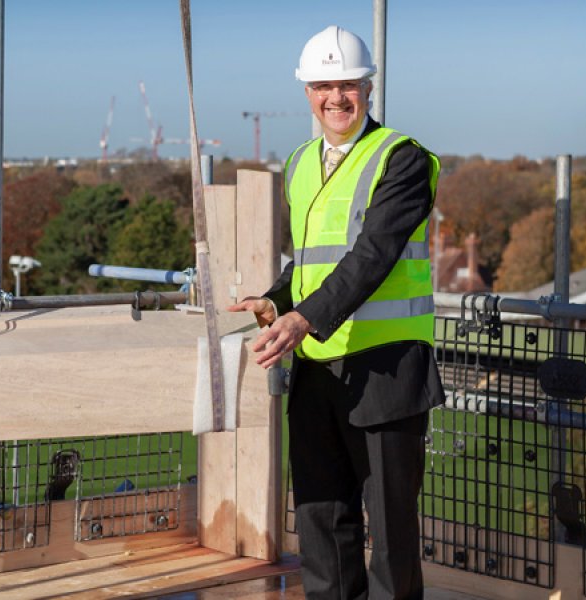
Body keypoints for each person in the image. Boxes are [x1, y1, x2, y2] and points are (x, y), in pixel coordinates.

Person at [228, 25, 444, 600]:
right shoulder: (300, 163)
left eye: (347, 85)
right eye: (323, 86)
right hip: (320, 371)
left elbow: (372, 256)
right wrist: (275, 300)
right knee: (322, 522)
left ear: (368, 89)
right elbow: (309, 264)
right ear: (306, 92)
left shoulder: (403, 160)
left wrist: (299, 320)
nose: (336, 98)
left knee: (391, 536)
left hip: (387, 371)